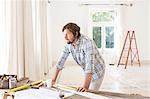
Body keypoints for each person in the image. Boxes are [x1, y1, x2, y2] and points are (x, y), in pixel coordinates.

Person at [51, 22, 105, 92]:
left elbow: (89, 66)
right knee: (86, 90)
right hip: (87, 70)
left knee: (90, 93)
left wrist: (85, 87)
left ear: (76, 34)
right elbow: (60, 61)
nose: (65, 37)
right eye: (64, 34)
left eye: (67, 34)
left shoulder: (87, 42)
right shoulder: (69, 43)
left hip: (98, 70)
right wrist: (53, 80)